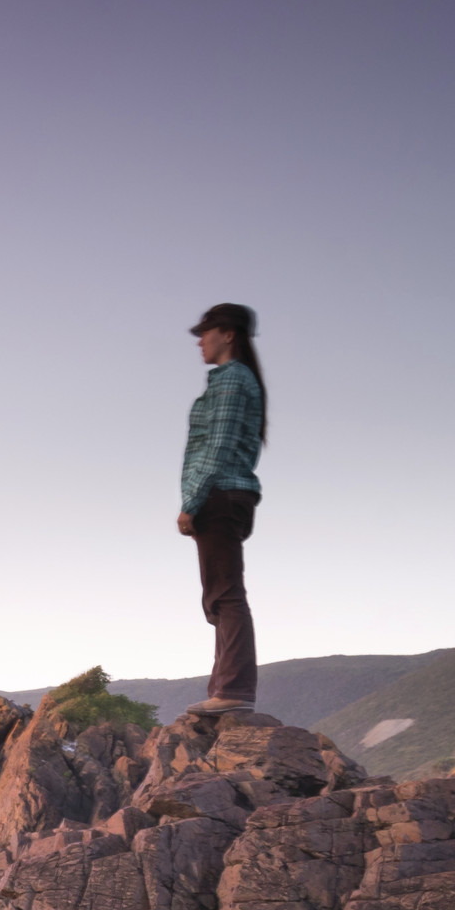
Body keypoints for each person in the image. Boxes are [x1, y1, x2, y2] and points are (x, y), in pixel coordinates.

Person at [176, 302, 267, 714]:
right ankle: (225, 689)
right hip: (227, 495)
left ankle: (232, 692)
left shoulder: (232, 380)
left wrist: (190, 503)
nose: (200, 340)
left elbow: (217, 447)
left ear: (227, 334)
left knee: (225, 595)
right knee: (219, 594)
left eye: (206, 331)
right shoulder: (233, 380)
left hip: (219, 495)